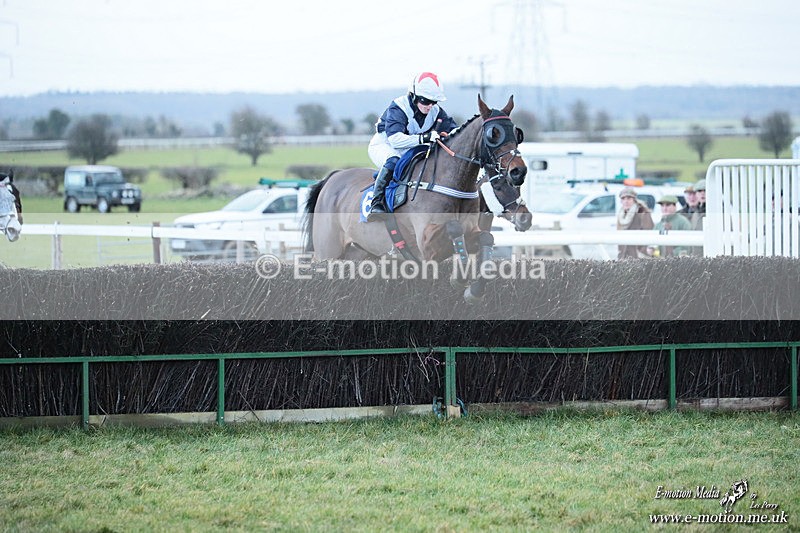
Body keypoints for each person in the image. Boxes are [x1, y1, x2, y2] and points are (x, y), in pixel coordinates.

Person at [366, 72, 457, 221]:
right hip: (386, 144)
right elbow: (395, 140)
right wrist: (425, 138)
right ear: (413, 96)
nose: (430, 106)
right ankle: (376, 204)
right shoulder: (398, 107)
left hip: (410, 148)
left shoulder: (436, 111)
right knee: (393, 160)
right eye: (425, 101)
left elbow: (455, 131)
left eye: (433, 102)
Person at [616, 187, 654, 259]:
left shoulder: (642, 212)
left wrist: (642, 252)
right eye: (623, 199)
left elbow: (649, 233)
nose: (626, 201)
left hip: (639, 256)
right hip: (624, 255)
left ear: (634, 200)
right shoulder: (621, 214)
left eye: (629, 198)